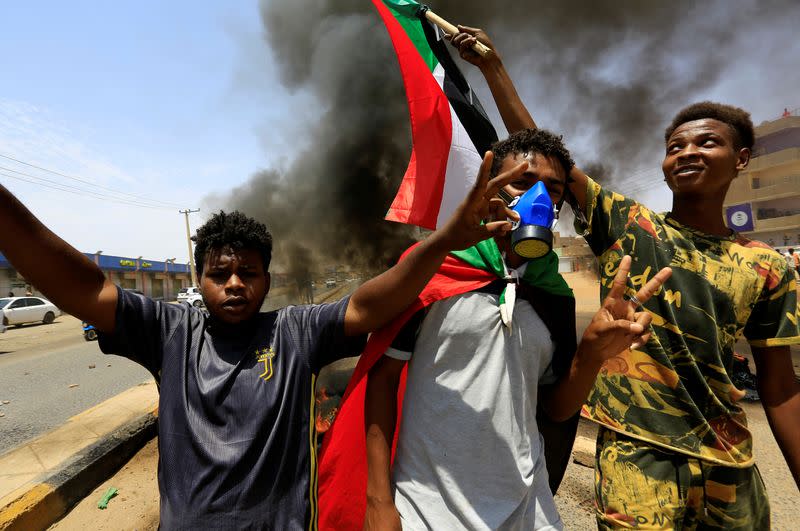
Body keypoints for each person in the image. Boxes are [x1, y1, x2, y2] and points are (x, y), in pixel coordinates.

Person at [0, 157, 528, 530]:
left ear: (267, 280)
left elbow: (369, 305)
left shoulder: (295, 332)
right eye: (219, 273)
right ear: (200, 279)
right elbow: (87, 287)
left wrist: (443, 241)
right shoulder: (169, 333)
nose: (234, 284)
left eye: (247, 273)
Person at [449, 25, 800, 529]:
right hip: (637, 461)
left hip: (729, 461)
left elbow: (781, 386)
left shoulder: (767, 264)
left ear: (741, 159)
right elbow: (551, 164)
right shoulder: (629, 226)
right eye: (675, 146)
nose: (688, 152)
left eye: (708, 142)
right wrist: (493, 69)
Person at [317, 130, 671, 530]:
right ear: (490, 191)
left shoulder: (552, 295)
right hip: (427, 509)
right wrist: (379, 501)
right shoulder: (434, 272)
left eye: (552, 189)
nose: (539, 197)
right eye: (522, 181)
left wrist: (591, 355)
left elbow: (555, 409)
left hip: (527, 507)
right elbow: (382, 382)